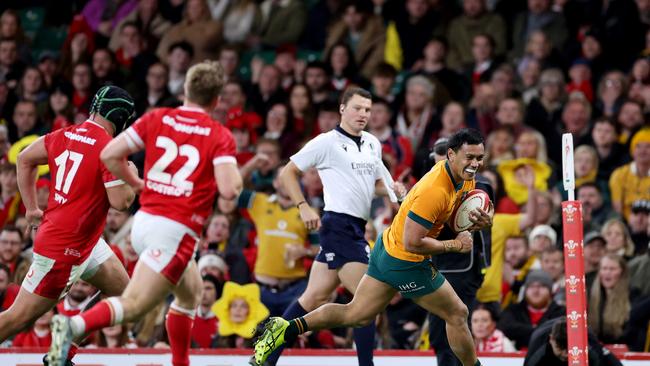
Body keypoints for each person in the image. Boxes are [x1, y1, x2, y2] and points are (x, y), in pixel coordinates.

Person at [46, 61, 243, 366]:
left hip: (144, 222)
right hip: (176, 230)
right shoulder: (219, 135)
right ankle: (72, 327)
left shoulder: (158, 117)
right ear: (216, 100)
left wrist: (140, 184)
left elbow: (110, 154)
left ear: (185, 91)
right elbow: (230, 190)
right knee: (136, 305)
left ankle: (180, 362)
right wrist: (237, 177)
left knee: (189, 294)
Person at [253, 128, 492, 366]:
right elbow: (413, 242)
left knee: (355, 314)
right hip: (405, 261)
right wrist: (455, 245)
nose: (474, 164)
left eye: (479, 158)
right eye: (469, 157)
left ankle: (284, 328)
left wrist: (481, 220)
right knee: (457, 313)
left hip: (386, 249)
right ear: (450, 154)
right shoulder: (434, 190)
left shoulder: (463, 176)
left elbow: (455, 215)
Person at [266, 86, 406, 366]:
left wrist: (394, 190)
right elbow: (288, 173)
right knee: (367, 301)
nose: (363, 114)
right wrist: (303, 206)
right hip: (338, 225)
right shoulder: (326, 142)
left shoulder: (372, 143)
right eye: (357, 108)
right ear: (342, 109)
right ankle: (366, 364)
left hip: (355, 226)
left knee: (313, 296)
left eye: (367, 109)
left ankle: (267, 354)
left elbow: (374, 186)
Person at [0, 85, 137, 366]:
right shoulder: (110, 149)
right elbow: (121, 203)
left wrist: (31, 209)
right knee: (15, 320)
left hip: (81, 242)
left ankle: (64, 348)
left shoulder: (66, 133)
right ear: (122, 118)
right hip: (61, 252)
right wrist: (131, 175)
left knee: (126, 292)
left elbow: (25, 159)